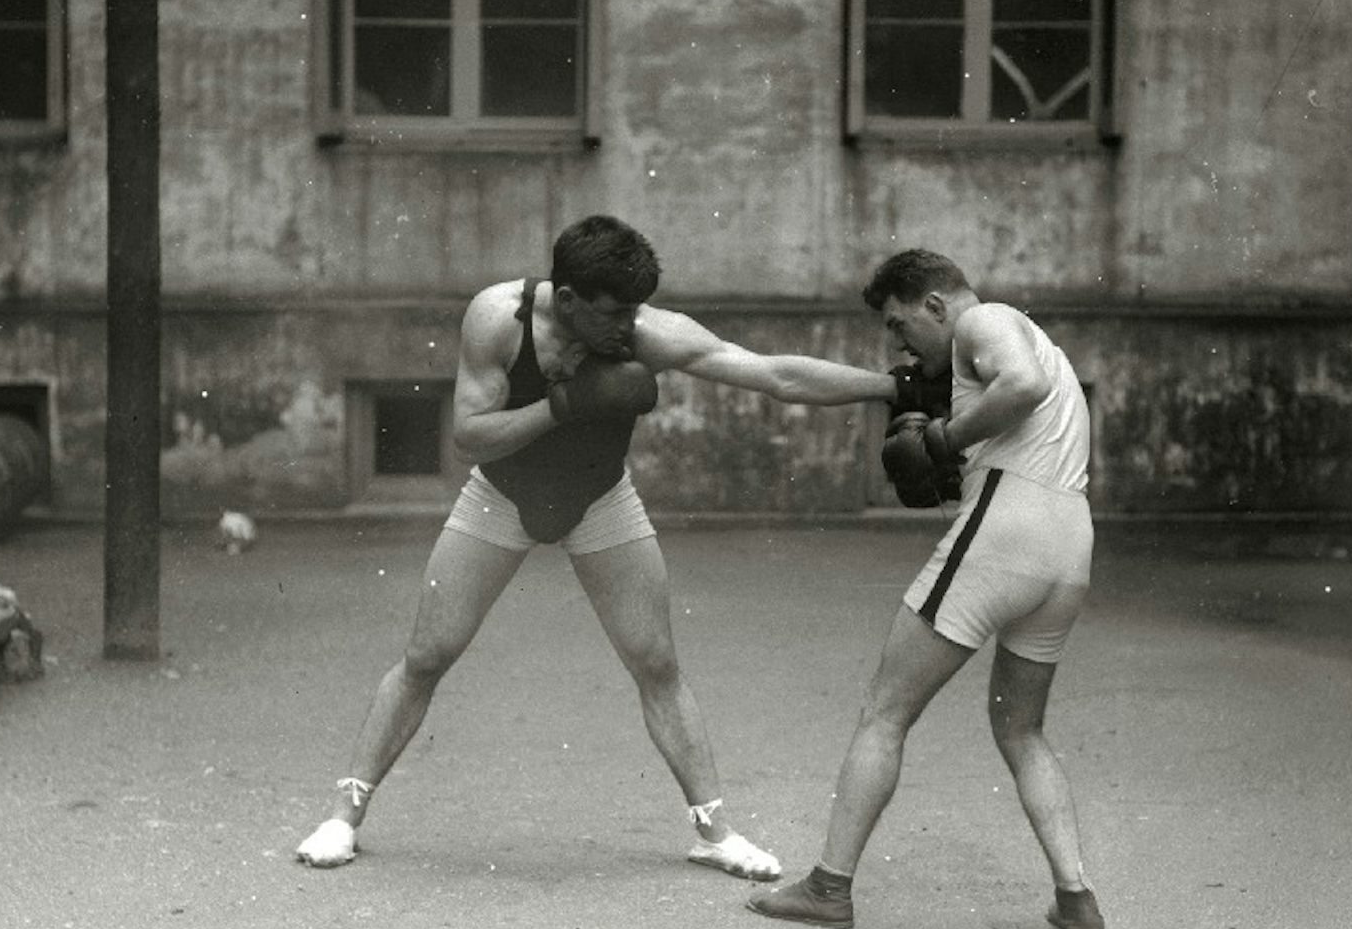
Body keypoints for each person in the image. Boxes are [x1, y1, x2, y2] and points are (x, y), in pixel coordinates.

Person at [296, 215, 940, 882]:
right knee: (427, 655)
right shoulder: (497, 319)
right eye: (613, 313)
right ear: (567, 299)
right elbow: (469, 436)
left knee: (656, 661)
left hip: (600, 499)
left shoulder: (644, 330)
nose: (626, 327)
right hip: (501, 496)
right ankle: (343, 816)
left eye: (635, 309)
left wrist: (890, 388)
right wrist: (565, 404)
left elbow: (772, 374)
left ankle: (714, 834)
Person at [747, 248, 1105, 929]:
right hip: (1070, 546)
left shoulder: (985, 322)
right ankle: (1077, 898)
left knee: (885, 711)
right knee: (1021, 727)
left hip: (1008, 533)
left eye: (899, 323)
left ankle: (827, 888)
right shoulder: (1030, 340)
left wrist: (944, 440)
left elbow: (1021, 386)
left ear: (936, 306)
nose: (897, 341)